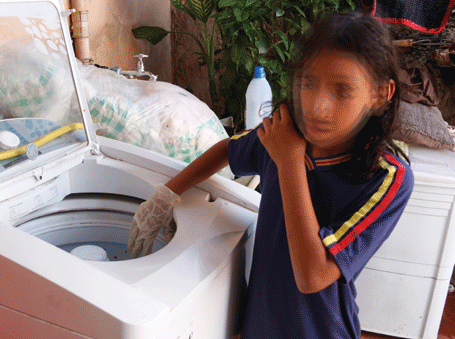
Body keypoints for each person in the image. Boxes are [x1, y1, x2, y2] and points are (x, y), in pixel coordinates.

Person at [128, 11, 414, 339]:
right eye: (309, 83)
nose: (318, 106)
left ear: (380, 94)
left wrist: (289, 161)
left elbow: (313, 275)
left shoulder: (387, 179)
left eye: (342, 91)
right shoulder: (283, 133)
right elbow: (227, 149)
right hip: (260, 325)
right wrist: (166, 195)